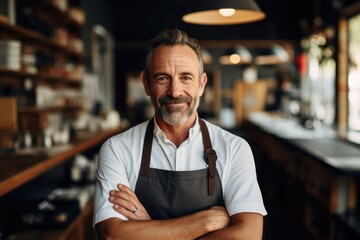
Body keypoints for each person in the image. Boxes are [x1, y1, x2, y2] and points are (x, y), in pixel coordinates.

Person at [94, 29, 267, 239]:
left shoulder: (235, 148)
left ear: (201, 84)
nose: (175, 91)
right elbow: (112, 235)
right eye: (162, 78)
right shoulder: (117, 149)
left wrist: (148, 228)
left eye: (186, 77)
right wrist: (203, 222)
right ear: (147, 84)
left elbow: (249, 235)